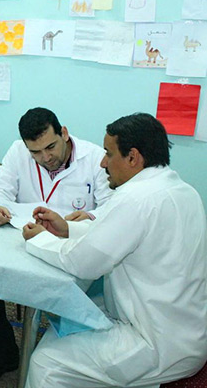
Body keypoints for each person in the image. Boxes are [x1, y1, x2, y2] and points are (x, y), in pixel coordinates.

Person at [22, 113, 207, 388]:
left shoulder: (136, 198)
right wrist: (67, 229)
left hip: (156, 344)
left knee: (46, 363)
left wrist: (38, 240)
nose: (102, 162)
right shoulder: (181, 190)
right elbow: (122, 235)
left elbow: (81, 263)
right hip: (184, 330)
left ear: (132, 157)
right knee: (66, 323)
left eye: (109, 154)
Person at [0, 107, 112, 383]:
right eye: (36, 152)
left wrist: (91, 217)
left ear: (64, 133)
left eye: (50, 147)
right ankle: (2, 353)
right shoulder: (18, 152)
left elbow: (113, 207)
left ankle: (63, 356)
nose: (45, 158)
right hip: (24, 242)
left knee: (65, 300)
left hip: (68, 249)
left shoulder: (95, 158)